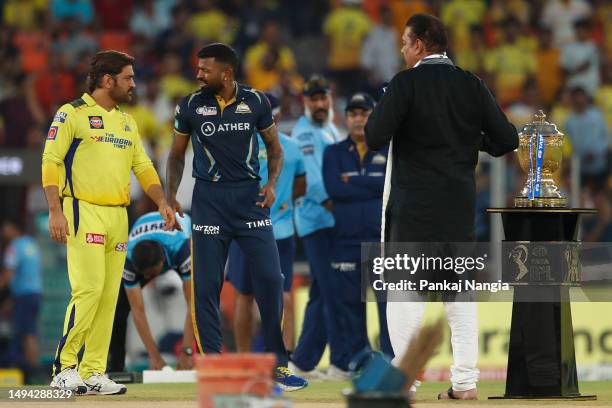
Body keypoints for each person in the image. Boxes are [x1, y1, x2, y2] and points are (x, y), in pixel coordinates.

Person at [365, 14, 518, 399]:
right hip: (457, 210)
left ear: (420, 45)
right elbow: (506, 139)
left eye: (405, 42)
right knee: (460, 297)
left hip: (413, 210)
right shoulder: (471, 84)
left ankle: (406, 382)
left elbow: (374, 135)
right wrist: (468, 138)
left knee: (405, 296)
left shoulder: (404, 84)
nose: (402, 49)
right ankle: (465, 384)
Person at [165, 43, 307, 391]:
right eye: (198, 69)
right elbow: (175, 156)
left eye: (205, 69)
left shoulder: (256, 102)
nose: (198, 75)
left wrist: (272, 184)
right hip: (209, 200)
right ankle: (213, 365)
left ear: (226, 73)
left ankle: (277, 365)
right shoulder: (190, 104)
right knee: (207, 286)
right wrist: (170, 196)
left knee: (272, 281)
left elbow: (275, 150)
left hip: (249, 200)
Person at [42, 50, 177, 395]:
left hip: (119, 213)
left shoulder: (127, 122)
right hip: (82, 208)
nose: (133, 84)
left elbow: (143, 167)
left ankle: (94, 370)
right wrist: (55, 210)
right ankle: (64, 367)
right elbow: (50, 161)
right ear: (107, 80)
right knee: (87, 289)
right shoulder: (71, 113)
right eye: (128, 77)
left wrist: (162, 200)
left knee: (108, 297)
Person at [226, 93, 306, 354]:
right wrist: (284, 204)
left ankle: (243, 358)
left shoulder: (239, 146)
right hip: (280, 231)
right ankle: (286, 357)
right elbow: (301, 187)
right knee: (282, 294)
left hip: (244, 230)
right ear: (279, 117)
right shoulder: (292, 148)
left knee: (245, 296)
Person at [322, 92, 393, 360]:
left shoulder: (388, 150)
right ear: (345, 118)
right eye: (353, 114)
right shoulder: (333, 152)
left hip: (381, 241)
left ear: (373, 116)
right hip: (345, 242)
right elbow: (334, 189)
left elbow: (388, 187)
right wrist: (370, 186)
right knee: (350, 305)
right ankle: (359, 362)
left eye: (364, 113)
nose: (358, 119)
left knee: (387, 306)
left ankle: (390, 360)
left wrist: (353, 181)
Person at [290, 75, 351, 381]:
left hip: (327, 221)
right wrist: (344, 211)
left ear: (330, 98)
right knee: (333, 292)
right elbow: (313, 183)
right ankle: (341, 363)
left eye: (322, 97)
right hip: (318, 222)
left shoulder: (329, 128)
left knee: (320, 293)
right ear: (305, 102)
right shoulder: (305, 133)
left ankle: (302, 362)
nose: (319, 103)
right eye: (313, 99)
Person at [108, 211, 193, 372]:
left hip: (179, 236)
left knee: (202, 298)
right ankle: (116, 366)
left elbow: (192, 305)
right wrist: (154, 357)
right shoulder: (129, 260)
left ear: (163, 262)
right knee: (118, 307)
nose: (148, 278)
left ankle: (206, 356)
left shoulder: (181, 249)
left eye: (152, 273)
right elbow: (138, 311)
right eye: (144, 274)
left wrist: (186, 351)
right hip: (142, 233)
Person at [1, 219, 42, 382]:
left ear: (11, 228)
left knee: (26, 334)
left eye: (4, 228)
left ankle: (33, 374)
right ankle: (32, 372)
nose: (3, 233)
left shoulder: (13, 247)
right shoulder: (31, 244)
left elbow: (8, 275)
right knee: (30, 332)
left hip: (24, 296)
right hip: (35, 294)